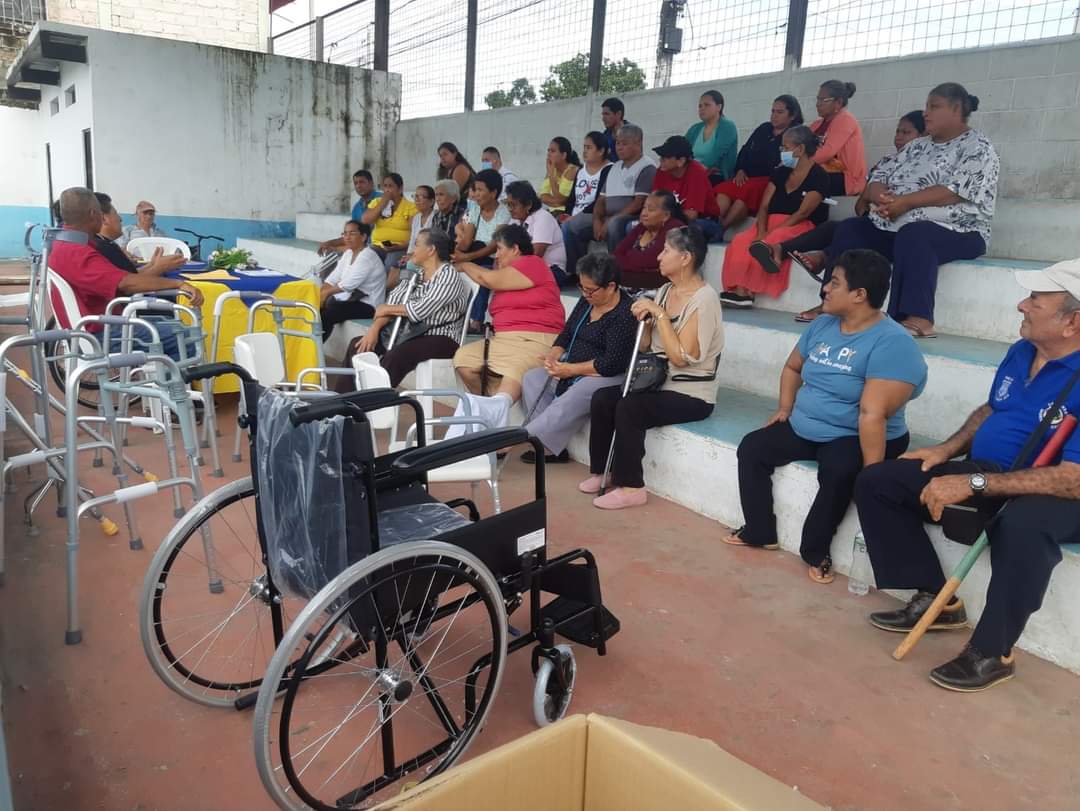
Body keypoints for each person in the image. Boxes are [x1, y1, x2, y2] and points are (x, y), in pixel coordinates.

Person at [853, 260, 1080, 691]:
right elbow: (993, 409)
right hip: (997, 473)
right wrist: (945, 450)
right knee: (880, 481)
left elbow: (1072, 480)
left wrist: (974, 484)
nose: (1021, 305)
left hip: (1062, 491)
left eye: (1035, 300)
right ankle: (935, 599)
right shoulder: (1023, 350)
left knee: (1024, 526)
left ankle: (992, 652)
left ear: (1073, 322)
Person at [725, 250, 927, 584]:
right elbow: (793, 367)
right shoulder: (822, 324)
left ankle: (816, 550)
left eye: (834, 283)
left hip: (856, 434)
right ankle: (760, 530)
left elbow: (872, 414)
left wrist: (872, 476)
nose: (825, 290)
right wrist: (785, 409)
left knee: (840, 471)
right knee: (753, 447)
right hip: (807, 424)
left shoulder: (893, 344)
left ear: (859, 294)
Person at [797, 83, 999, 335]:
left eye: (934, 107)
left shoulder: (977, 147)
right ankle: (834, 304)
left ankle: (917, 317)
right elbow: (880, 175)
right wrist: (880, 196)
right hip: (896, 224)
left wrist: (904, 203)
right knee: (851, 230)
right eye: (926, 106)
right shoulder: (917, 146)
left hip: (960, 231)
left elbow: (954, 191)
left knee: (916, 234)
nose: (926, 113)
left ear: (956, 109)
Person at [583, 226, 724, 510]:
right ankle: (603, 471)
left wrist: (658, 315)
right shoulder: (664, 291)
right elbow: (647, 346)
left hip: (691, 393)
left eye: (666, 251)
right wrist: (646, 321)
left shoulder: (704, 300)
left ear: (685, 258)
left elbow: (683, 357)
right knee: (603, 399)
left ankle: (632, 487)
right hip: (657, 382)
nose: (659, 256)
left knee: (630, 408)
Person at [48, 187, 204, 360]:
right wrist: (178, 283)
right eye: (100, 212)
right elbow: (126, 283)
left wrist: (154, 267)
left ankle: (156, 373)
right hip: (101, 334)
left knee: (173, 325)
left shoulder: (64, 244)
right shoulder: (77, 252)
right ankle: (166, 378)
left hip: (99, 325)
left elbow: (123, 279)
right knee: (187, 336)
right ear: (93, 214)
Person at [520, 253, 637, 464]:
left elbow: (611, 363)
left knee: (577, 392)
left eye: (590, 290)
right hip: (573, 367)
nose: (585, 294)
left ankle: (517, 438)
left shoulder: (625, 313)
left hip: (605, 375)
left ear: (611, 286)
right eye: (582, 287)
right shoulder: (587, 302)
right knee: (533, 379)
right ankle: (548, 446)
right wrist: (553, 355)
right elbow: (567, 333)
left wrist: (570, 370)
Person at [783, 111, 927, 271]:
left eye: (906, 132)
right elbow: (861, 204)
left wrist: (875, 200)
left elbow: (882, 200)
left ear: (923, 136)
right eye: (897, 131)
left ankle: (824, 257)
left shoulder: (924, 168)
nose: (898, 137)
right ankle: (779, 249)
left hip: (898, 228)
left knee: (852, 233)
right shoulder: (886, 162)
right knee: (835, 228)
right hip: (873, 219)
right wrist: (870, 202)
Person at [453, 224, 565, 403]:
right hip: (503, 340)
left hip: (535, 340)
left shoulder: (533, 262)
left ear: (515, 249)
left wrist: (465, 265)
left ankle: (496, 405)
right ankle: (491, 404)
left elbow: (486, 278)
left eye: (499, 249)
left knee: (515, 368)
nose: (496, 255)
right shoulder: (505, 273)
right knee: (463, 359)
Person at [720, 125, 830, 307]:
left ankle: (748, 290)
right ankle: (738, 289)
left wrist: (772, 232)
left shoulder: (819, 176)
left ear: (800, 149)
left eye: (785, 147)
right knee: (741, 240)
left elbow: (802, 213)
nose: (782, 151)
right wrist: (761, 230)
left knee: (773, 240)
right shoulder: (780, 172)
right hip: (768, 222)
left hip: (797, 225)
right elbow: (764, 206)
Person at [346, 228, 469, 387]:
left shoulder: (448, 275)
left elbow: (418, 311)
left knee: (396, 356)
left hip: (440, 336)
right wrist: (374, 329)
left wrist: (386, 309)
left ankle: (373, 397)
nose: (412, 250)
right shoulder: (417, 274)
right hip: (409, 332)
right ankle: (344, 399)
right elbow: (392, 302)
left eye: (417, 245)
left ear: (431, 250)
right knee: (358, 346)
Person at [712, 95, 803, 234]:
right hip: (748, 176)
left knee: (747, 191)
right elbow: (745, 150)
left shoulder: (795, 133)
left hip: (772, 179)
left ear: (792, 115)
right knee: (724, 188)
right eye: (773, 111)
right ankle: (713, 223)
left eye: (780, 112)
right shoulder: (764, 128)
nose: (774, 116)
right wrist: (741, 169)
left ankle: (720, 229)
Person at [455, 169, 512, 330]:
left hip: (494, 259)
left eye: (480, 190)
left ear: (493, 193)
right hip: (475, 257)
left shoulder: (503, 212)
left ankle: (476, 321)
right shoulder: (475, 209)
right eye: (475, 190)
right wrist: (454, 253)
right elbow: (466, 242)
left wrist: (466, 258)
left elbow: (493, 246)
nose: (475, 194)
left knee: (481, 276)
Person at [591, 124, 657, 252]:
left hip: (631, 217)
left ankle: (615, 262)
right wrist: (596, 220)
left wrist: (611, 219)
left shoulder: (647, 167)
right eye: (617, 143)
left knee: (615, 225)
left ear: (638, 143)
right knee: (572, 226)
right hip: (608, 216)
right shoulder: (614, 167)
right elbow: (601, 199)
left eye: (624, 144)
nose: (619, 148)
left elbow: (638, 203)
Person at [319, 220, 386, 340]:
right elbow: (333, 278)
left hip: (369, 305)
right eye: (345, 233)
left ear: (364, 237)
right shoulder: (348, 253)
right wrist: (321, 293)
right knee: (316, 309)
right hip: (350, 299)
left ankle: (315, 348)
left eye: (352, 233)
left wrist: (325, 294)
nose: (347, 237)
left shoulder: (367, 256)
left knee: (327, 314)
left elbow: (348, 285)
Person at [93, 193, 185, 276]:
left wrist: (153, 264)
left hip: (149, 268)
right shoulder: (126, 232)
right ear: (137, 214)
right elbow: (127, 281)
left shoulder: (161, 233)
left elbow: (130, 275)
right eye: (145, 213)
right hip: (137, 266)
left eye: (151, 213)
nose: (149, 216)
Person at [651, 135, 721, 243]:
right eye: (661, 156)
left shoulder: (697, 172)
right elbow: (653, 203)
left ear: (681, 161)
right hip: (670, 220)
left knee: (686, 229)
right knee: (631, 226)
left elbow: (691, 215)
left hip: (704, 222)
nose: (661, 160)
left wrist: (660, 218)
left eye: (666, 157)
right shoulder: (661, 171)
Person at [561, 132, 613, 278]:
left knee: (569, 226)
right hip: (576, 215)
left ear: (601, 151)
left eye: (589, 148)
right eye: (584, 147)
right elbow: (572, 198)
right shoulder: (581, 171)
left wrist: (575, 217)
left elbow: (600, 200)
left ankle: (574, 271)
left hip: (593, 215)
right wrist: (567, 213)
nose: (584, 151)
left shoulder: (609, 170)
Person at [613, 190, 686, 290]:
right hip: (629, 285)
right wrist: (640, 264)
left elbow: (652, 260)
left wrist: (629, 255)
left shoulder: (674, 228)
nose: (644, 213)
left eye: (650, 209)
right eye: (644, 208)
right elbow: (617, 255)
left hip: (657, 289)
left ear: (666, 215)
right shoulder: (642, 226)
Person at [809, 80, 867, 198]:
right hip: (823, 171)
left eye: (823, 100)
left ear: (838, 103)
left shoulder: (845, 120)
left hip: (847, 177)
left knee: (806, 178)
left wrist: (801, 163)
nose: (818, 104)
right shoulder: (816, 124)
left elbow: (827, 152)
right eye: (817, 99)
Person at [505, 181, 568, 286]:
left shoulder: (543, 217)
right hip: (525, 268)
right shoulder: (515, 219)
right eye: (508, 205)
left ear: (528, 205)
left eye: (514, 205)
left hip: (551, 270)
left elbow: (535, 255)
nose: (510, 209)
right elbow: (505, 248)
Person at [360, 173, 418, 273]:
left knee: (390, 263)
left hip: (400, 248)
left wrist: (399, 246)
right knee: (365, 258)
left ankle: (387, 283)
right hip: (377, 246)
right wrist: (383, 202)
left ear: (400, 189)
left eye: (390, 186)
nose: (387, 190)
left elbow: (415, 234)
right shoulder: (377, 202)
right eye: (385, 186)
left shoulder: (410, 207)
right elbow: (365, 220)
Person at [318, 170, 382, 254]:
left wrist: (337, 248)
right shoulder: (356, 208)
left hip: (380, 246)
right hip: (363, 247)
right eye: (356, 183)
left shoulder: (382, 199)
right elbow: (352, 235)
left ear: (371, 183)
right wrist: (329, 243)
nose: (358, 186)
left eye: (362, 182)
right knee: (333, 253)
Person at [388, 185, 436, 290]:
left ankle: (404, 290)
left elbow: (431, 243)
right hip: (415, 255)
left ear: (431, 201)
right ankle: (392, 292)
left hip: (426, 256)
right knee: (396, 264)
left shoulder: (435, 217)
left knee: (407, 267)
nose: (417, 200)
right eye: (415, 196)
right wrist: (409, 255)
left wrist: (412, 257)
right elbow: (412, 240)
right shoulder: (416, 218)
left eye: (421, 197)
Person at [685, 90, 739, 185]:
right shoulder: (695, 129)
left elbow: (716, 154)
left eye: (707, 105)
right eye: (700, 106)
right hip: (692, 173)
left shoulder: (727, 126)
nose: (702, 109)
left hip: (717, 177)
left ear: (719, 107)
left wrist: (695, 170)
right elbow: (682, 149)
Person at [539, 137, 581, 217]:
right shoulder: (552, 169)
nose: (549, 154)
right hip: (550, 211)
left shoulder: (572, 171)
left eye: (553, 151)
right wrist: (555, 202)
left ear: (564, 155)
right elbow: (543, 196)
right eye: (548, 150)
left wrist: (551, 175)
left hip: (566, 213)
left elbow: (559, 199)